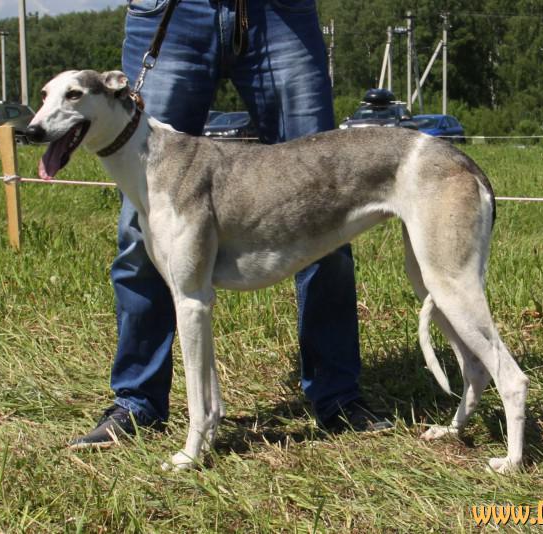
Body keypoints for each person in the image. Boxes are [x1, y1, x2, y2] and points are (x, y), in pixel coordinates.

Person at [69, 0, 391, 448]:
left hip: (279, 13)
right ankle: (138, 401)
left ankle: (336, 396)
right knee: (138, 233)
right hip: (172, 10)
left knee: (326, 204)